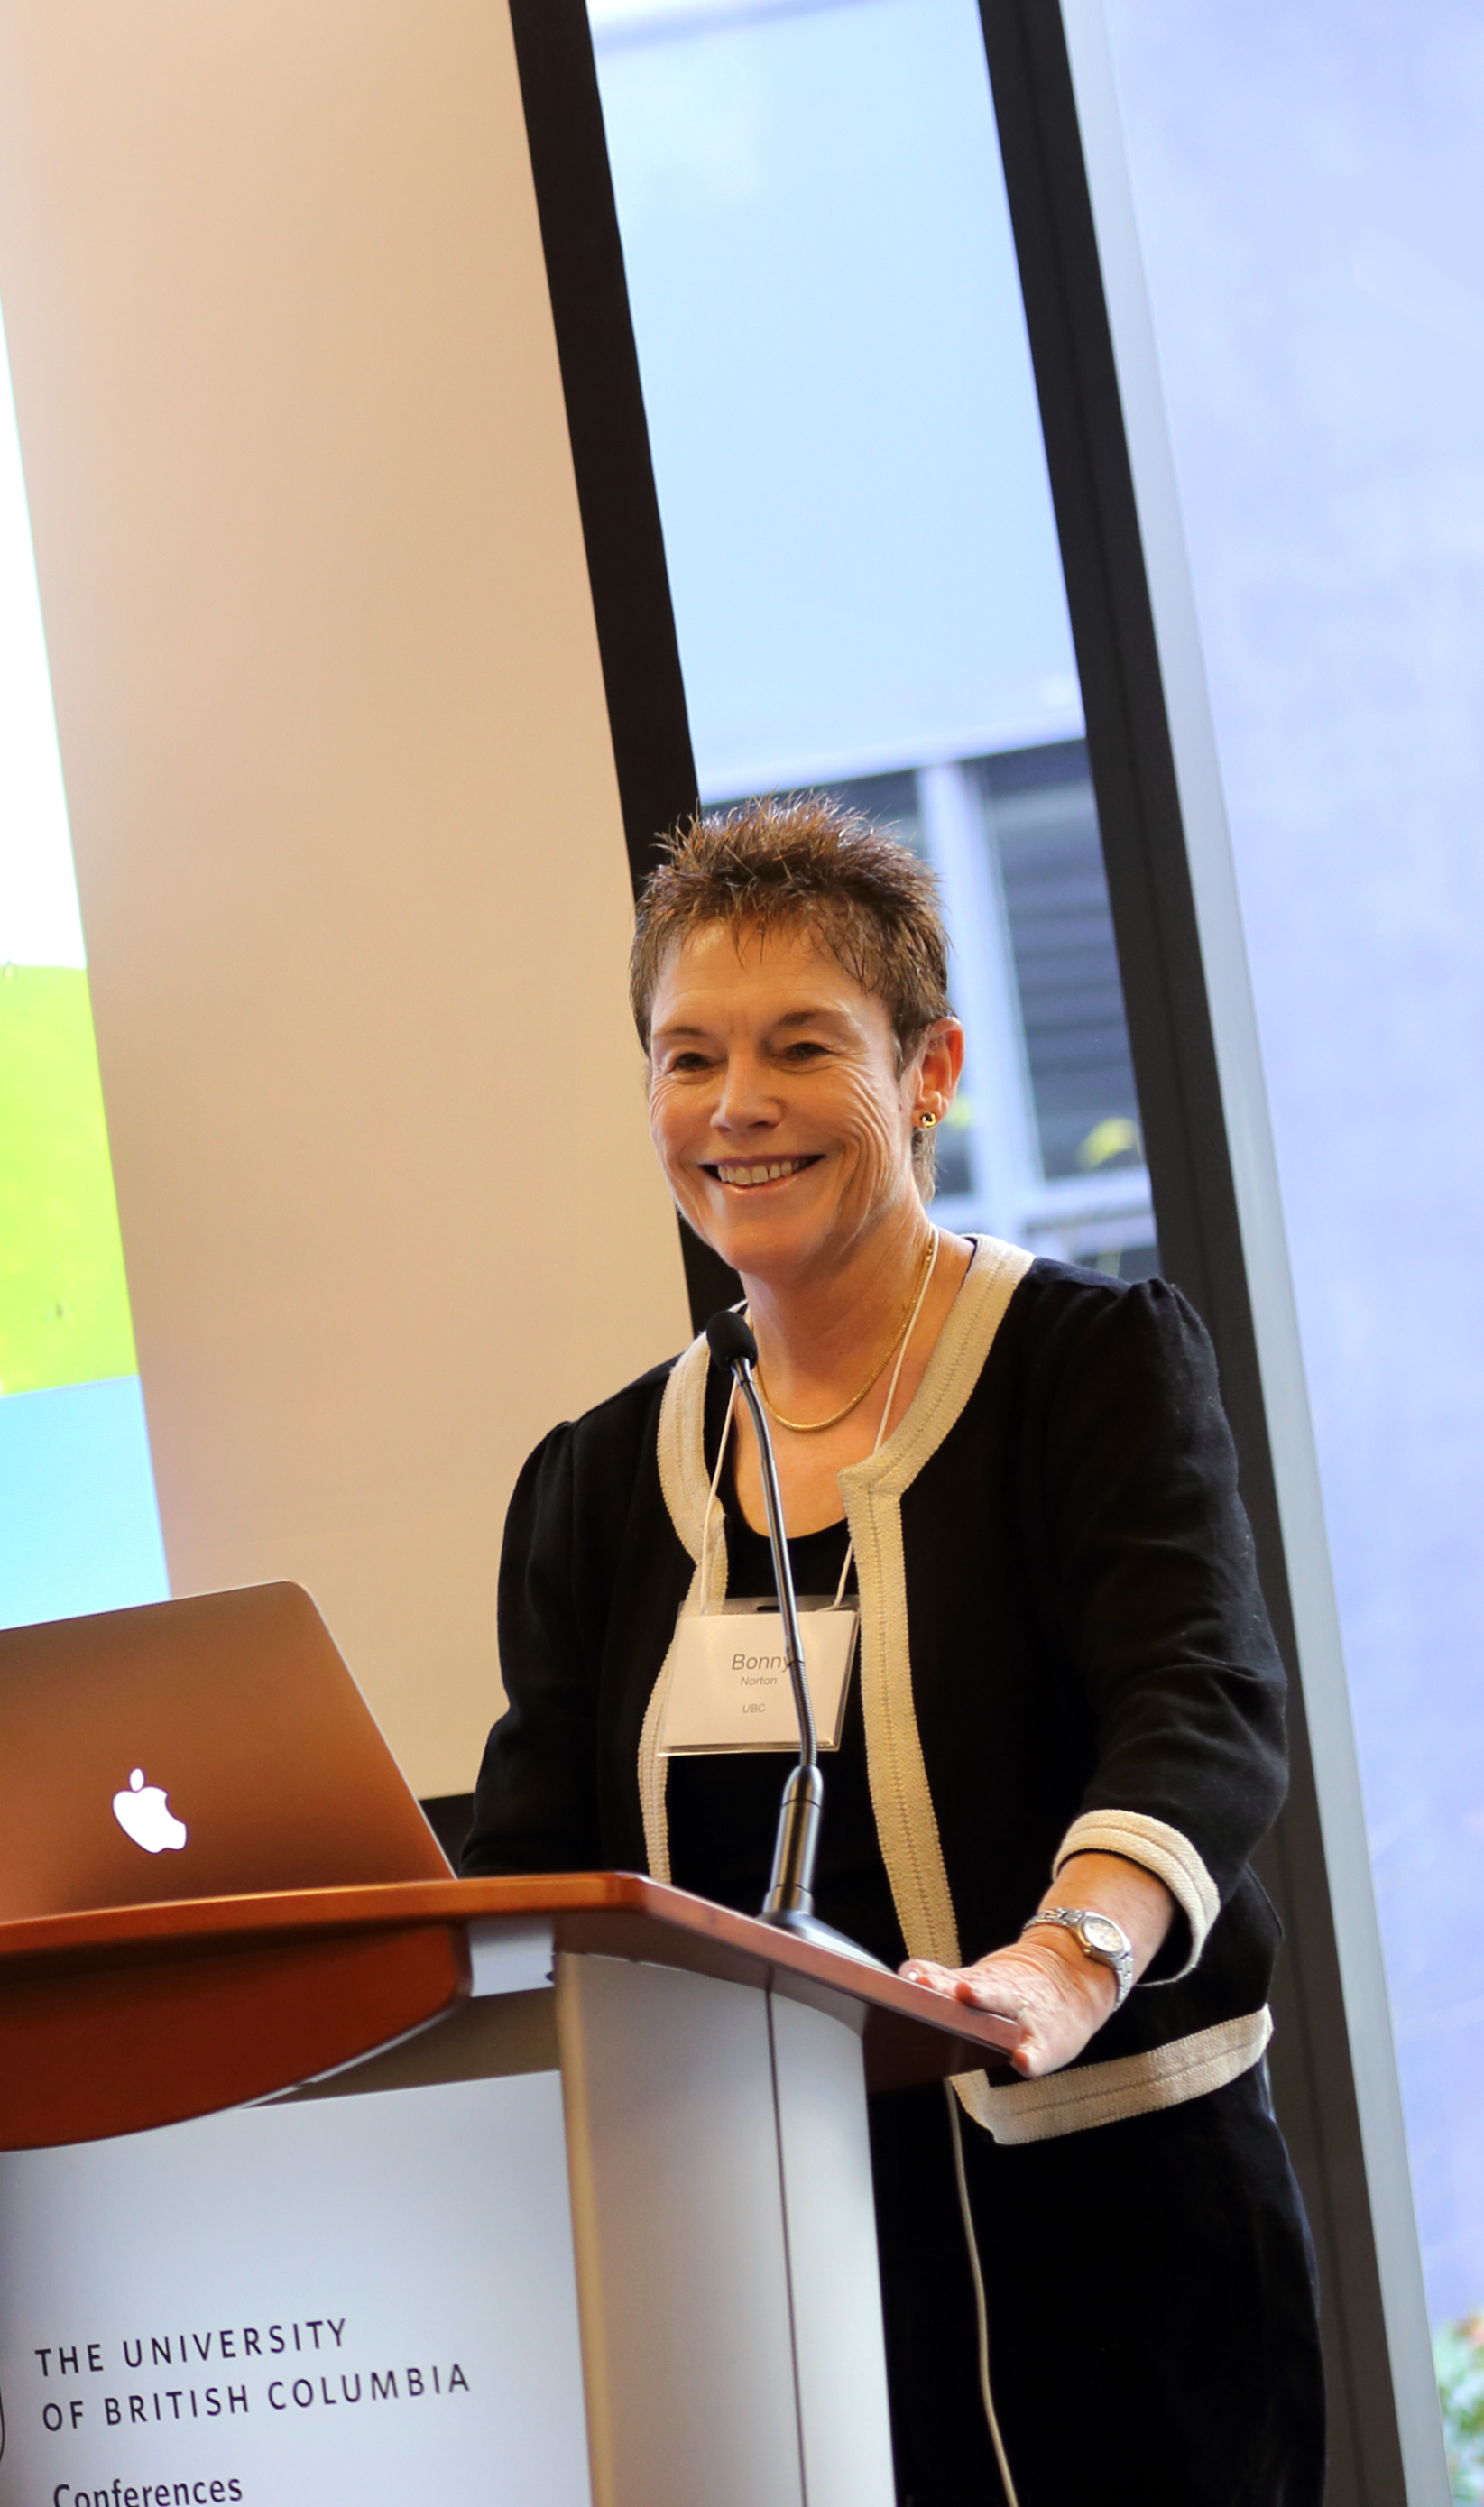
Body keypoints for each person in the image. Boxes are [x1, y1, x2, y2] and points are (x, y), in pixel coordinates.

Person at [462, 797, 1321, 2503]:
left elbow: (1200, 1701)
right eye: (687, 1056)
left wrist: (1063, 1959)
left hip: (1118, 2269)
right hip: (757, 2273)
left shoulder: (1088, 1368)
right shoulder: (597, 1479)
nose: (736, 1104)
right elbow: (534, 1860)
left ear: (930, 1070)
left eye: (801, 1045)